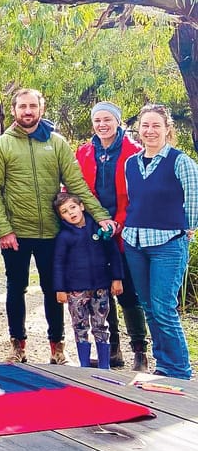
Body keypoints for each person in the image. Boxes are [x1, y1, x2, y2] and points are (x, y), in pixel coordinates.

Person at [0, 88, 115, 365]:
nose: (28, 111)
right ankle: (17, 345)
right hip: (16, 235)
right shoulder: (1, 145)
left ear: (41, 109)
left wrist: (100, 216)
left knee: (54, 290)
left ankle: (57, 347)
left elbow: (76, 184)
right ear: (14, 110)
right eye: (22, 106)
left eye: (33, 106)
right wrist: (3, 230)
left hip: (53, 234)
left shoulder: (56, 143)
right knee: (15, 289)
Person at [121, 104, 198, 380]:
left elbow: (194, 199)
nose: (150, 131)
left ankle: (179, 372)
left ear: (167, 129)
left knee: (164, 308)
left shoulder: (180, 161)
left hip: (168, 243)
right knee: (150, 308)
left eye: (156, 125)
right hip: (135, 243)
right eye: (145, 126)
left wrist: (187, 228)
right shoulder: (131, 163)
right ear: (138, 130)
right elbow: (134, 200)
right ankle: (163, 366)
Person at [75, 101, 149, 370]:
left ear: (118, 122)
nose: (102, 125)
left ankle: (140, 352)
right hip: (94, 232)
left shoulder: (134, 152)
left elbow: (138, 196)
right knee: (102, 292)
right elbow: (76, 189)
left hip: (125, 230)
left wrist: (118, 223)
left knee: (128, 291)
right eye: (97, 120)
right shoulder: (84, 152)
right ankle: (113, 351)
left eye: (107, 119)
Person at [53, 192, 123, 369]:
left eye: (73, 207)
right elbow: (58, 263)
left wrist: (117, 278)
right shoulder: (64, 237)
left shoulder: (99, 230)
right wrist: (60, 289)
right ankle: (84, 365)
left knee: (101, 325)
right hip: (76, 290)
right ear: (61, 216)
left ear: (82, 206)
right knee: (80, 326)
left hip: (100, 287)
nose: (71, 213)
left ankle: (105, 365)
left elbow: (113, 254)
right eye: (65, 211)